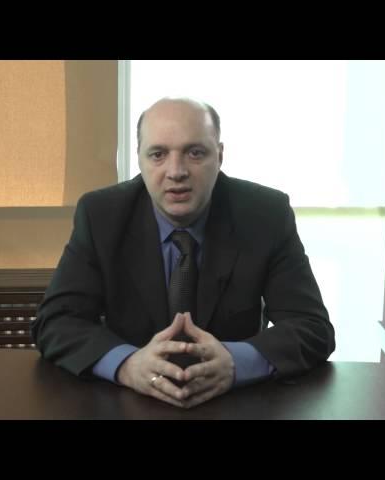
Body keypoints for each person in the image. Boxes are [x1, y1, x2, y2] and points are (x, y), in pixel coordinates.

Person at [31, 97, 335, 409]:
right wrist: (126, 364)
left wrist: (236, 362)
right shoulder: (101, 215)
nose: (176, 172)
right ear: (140, 159)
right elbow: (56, 322)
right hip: (130, 404)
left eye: (195, 153)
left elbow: (311, 328)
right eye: (158, 154)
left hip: (235, 405)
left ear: (219, 155)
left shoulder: (265, 215)